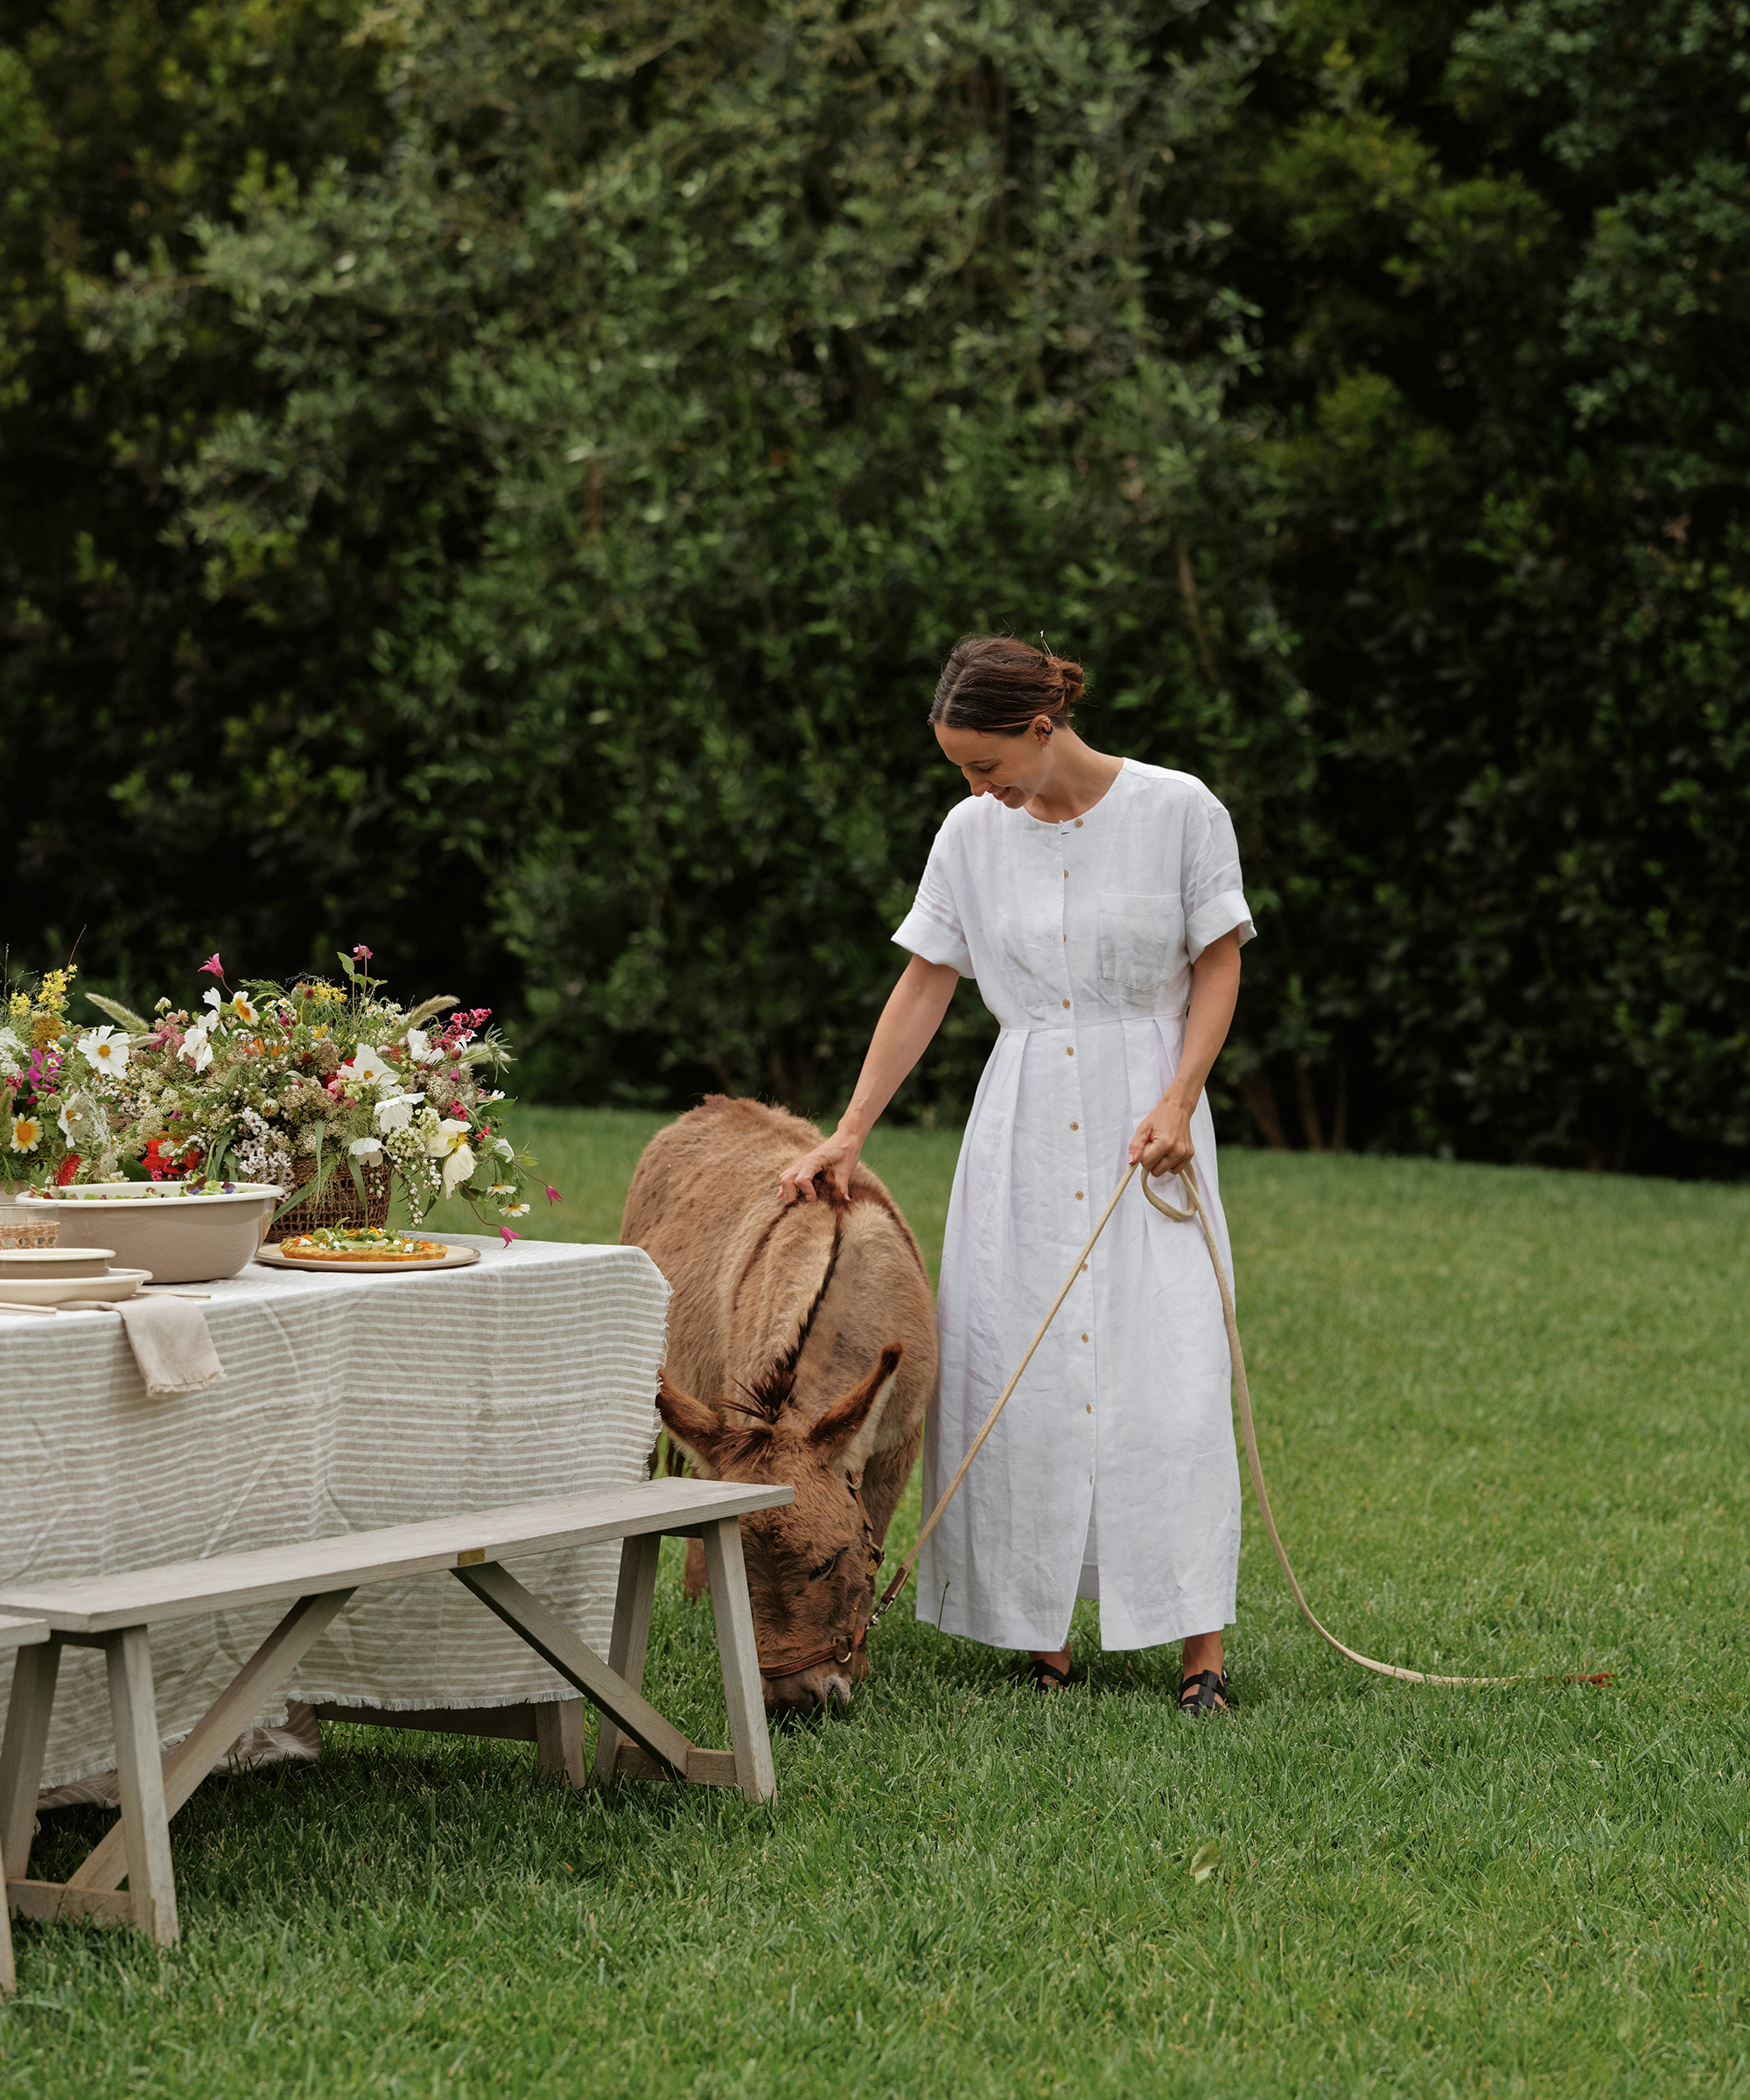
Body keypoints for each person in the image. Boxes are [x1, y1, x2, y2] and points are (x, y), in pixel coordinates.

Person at [777, 635, 1253, 1713]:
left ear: (1042, 728)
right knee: (1015, 1375)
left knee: (1170, 1378)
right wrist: (847, 1133)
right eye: (959, 770)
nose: (973, 788)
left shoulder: (1180, 808)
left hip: (1149, 1118)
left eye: (983, 764)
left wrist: (1178, 1096)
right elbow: (923, 984)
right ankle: (1039, 1637)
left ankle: (1199, 1656)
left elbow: (1218, 959)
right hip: (1024, 1123)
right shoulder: (967, 835)